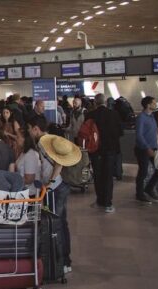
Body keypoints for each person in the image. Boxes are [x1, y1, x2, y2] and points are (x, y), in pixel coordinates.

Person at [31, 123, 79, 274]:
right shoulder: (50, 142)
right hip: (60, 186)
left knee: (55, 225)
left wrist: (49, 185)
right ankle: (64, 260)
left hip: (55, 189)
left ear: (36, 128)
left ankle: (60, 261)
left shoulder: (43, 144)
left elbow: (57, 165)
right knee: (61, 224)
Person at [86, 94, 123, 213]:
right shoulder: (114, 114)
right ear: (105, 102)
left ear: (95, 103)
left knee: (98, 175)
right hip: (110, 150)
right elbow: (120, 132)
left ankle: (99, 200)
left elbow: (85, 133)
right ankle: (108, 203)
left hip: (95, 151)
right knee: (108, 176)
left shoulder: (90, 115)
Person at [135, 96, 158, 205]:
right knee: (143, 172)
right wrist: (147, 148)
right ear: (148, 105)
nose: (155, 104)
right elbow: (139, 135)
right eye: (154, 102)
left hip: (153, 148)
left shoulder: (151, 117)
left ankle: (148, 188)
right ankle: (140, 194)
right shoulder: (141, 118)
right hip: (143, 149)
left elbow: (155, 132)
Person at [16, 130, 42, 196]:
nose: (16, 139)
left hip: (29, 193)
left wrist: (14, 181)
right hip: (22, 190)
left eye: (18, 137)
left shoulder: (30, 155)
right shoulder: (24, 152)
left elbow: (29, 179)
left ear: (25, 139)